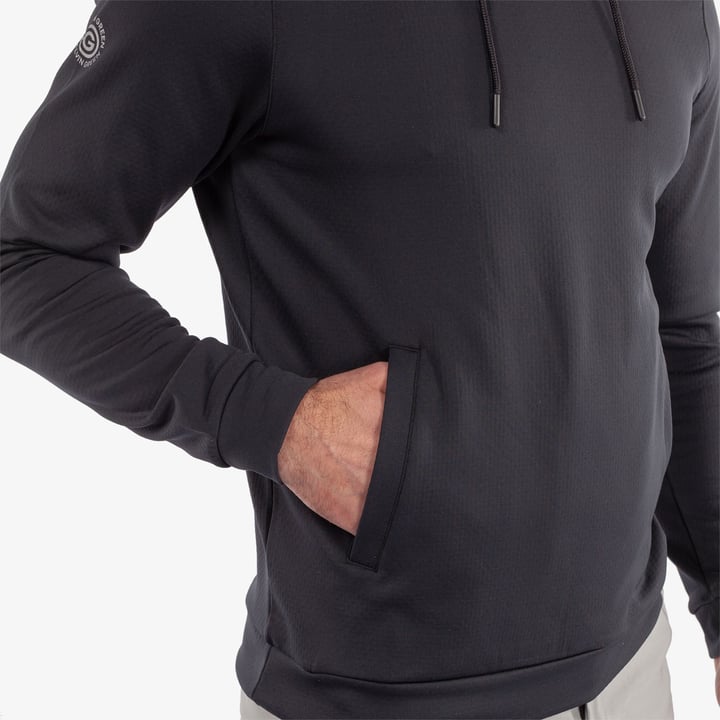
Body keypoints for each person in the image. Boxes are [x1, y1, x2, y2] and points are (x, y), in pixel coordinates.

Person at [1, 1, 718, 718]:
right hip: (367, 697)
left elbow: (683, 332)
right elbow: (25, 255)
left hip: (634, 674)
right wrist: (271, 420)